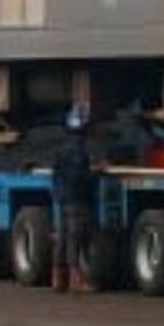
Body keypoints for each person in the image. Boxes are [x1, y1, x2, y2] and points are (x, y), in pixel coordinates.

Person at [51, 104, 98, 294]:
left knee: (63, 237)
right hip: (77, 198)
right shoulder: (80, 151)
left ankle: (57, 278)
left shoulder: (61, 149)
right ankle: (75, 280)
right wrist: (94, 173)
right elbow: (79, 176)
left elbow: (56, 175)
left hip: (63, 197)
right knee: (75, 237)